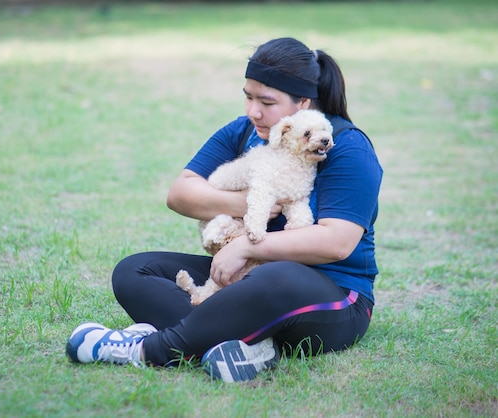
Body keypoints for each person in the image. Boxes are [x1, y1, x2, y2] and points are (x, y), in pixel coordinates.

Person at [66, 37, 383, 382]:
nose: (253, 111)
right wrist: (246, 202)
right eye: (248, 96)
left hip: (334, 298)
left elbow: (336, 242)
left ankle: (145, 349)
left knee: (276, 276)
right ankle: (253, 346)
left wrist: (246, 245)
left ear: (302, 102)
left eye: (267, 101)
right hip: (249, 277)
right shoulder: (246, 132)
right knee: (134, 270)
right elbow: (181, 192)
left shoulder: (347, 148)